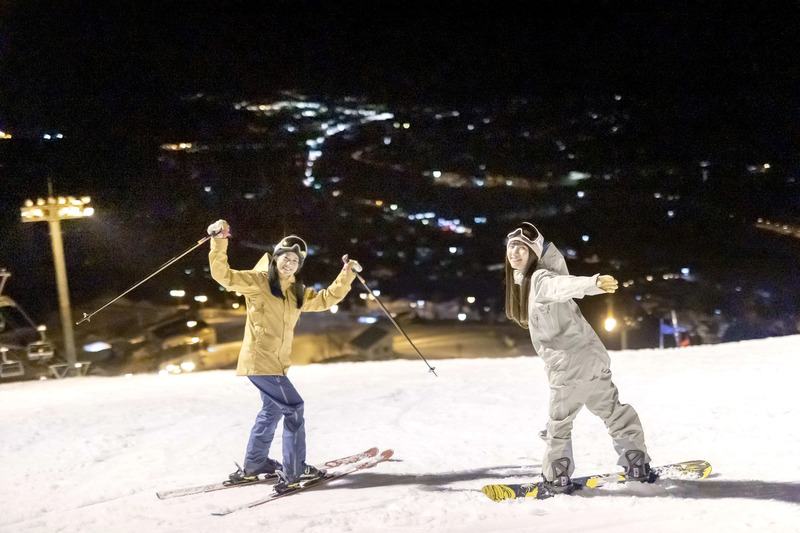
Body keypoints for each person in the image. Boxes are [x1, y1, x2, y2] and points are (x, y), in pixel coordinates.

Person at [206, 219, 362, 493]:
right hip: (260, 361)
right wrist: (219, 240)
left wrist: (347, 273)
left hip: (276, 364)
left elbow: (326, 298)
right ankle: (294, 471)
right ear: (276, 257)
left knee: (271, 411)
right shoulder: (257, 281)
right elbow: (224, 275)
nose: (289, 263)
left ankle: (254, 467)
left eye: (295, 261)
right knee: (294, 409)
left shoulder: (295, 292)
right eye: (286, 257)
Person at [504, 222, 651, 493]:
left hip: (569, 365)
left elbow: (563, 285)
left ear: (534, 253)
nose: (514, 252)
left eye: (522, 248)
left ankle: (557, 476)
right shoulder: (529, 280)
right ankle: (636, 463)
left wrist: (592, 283)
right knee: (614, 412)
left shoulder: (540, 279)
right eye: (511, 246)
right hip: (591, 358)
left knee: (559, 423)